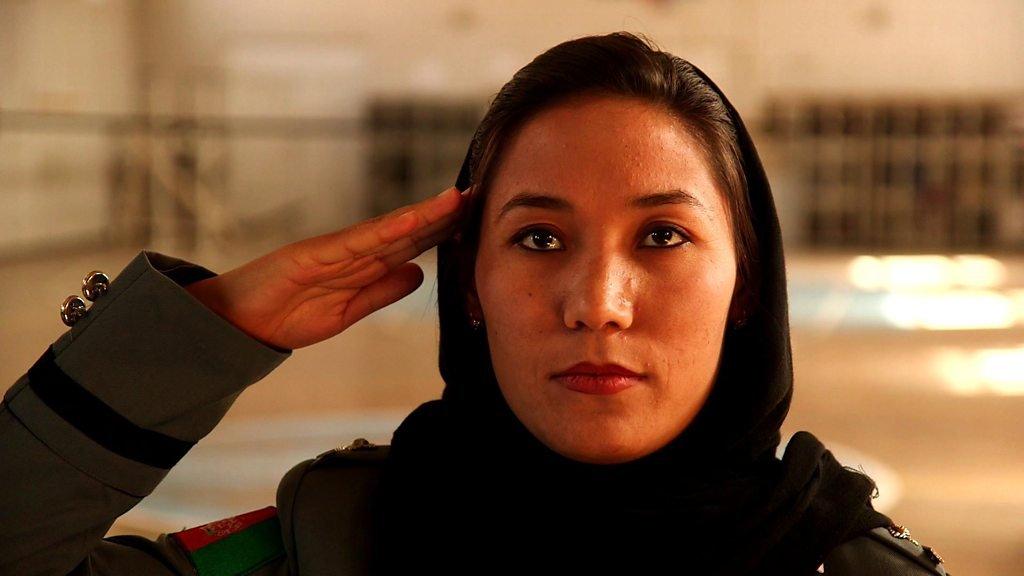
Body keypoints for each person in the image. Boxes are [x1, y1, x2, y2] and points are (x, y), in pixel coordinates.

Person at [0, 32, 950, 576]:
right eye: (539, 238)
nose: (597, 304)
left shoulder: (856, 570)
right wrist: (205, 330)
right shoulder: (331, 544)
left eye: (662, 236)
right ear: (471, 289)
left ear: (746, 284)